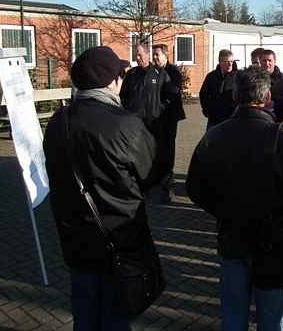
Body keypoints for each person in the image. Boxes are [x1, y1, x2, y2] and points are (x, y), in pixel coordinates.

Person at [186, 66, 283, 331]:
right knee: (271, 315)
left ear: (235, 96)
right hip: (274, 238)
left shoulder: (214, 136)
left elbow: (195, 188)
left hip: (232, 236)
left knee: (234, 313)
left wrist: (223, 209)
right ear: (268, 97)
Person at [43, 46, 157, 330]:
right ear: (111, 81)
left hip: (75, 236)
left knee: (84, 311)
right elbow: (149, 173)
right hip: (119, 237)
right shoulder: (126, 123)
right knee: (116, 314)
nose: (122, 80)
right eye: (120, 74)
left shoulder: (58, 122)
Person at [120, 43, 173, 193]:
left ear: (147, 55)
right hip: (135, 125)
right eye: (135, 55)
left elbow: (169, 96)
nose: (137, 58)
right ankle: (141, 186)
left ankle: (164, 185)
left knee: (157, 154)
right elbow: (123, 96)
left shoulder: (159, 74)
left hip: (154, 124)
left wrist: (160, 110)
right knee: (137, 156)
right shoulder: (131, 75)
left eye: (140, 54)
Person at [152, 44, 186, 203]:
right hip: (155, 117)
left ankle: (168, 185)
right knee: (155, 148)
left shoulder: (173, 71)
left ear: (165, 55)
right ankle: (155, 182)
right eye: (153, 55)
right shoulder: (152, 71)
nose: (155, 57)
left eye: (157, 54)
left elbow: (174, 90)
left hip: (169, 117)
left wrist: (163, 103)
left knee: (168, 148)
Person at [199, 49, 238, 129]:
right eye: (226, 62)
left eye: (232, 61)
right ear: (220, 62)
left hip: (231, 118)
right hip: (214, 118)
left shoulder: (238, 77)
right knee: (210, 140)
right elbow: (203, 94)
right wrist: (206, 110)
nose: (230, 64)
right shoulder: (211, 76)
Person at [260, 49, 283, 124]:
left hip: (278, 122)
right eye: (264, 61)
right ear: (260, 61)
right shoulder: (254, 80)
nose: (267, 63)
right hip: (258, 121)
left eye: (270, 60)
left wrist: (274, 104)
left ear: (274, 61)